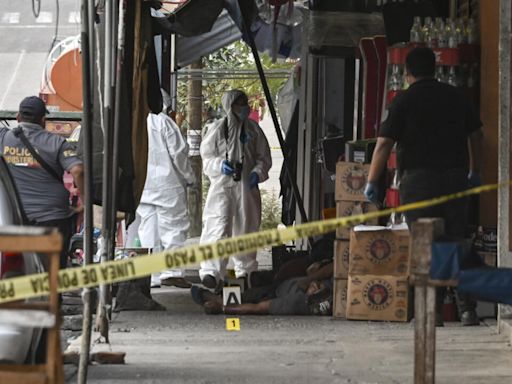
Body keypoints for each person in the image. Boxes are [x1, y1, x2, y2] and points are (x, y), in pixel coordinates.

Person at [364, 47, 483, 326]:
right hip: (455, 179)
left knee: (425, 244)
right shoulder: (456, 96)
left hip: (418, 183)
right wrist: (475, 170)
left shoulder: (404, 100)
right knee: (456, 241)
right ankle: (467, 309)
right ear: (435, 69)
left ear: (407, 73)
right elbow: (476, 134)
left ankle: (432, 312)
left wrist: (371, 181)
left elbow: (384, 144)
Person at [199, 89, 272, 290]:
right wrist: (219, 165)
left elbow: (263, 157)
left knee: (246, 228)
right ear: (229, 106)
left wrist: (257, 172)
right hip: (222, 187)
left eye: (244, 103)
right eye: (239, 104)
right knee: (218, 226)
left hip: (246, 188)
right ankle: (212, 273)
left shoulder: (254, 130)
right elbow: (207, 159)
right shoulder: (216, 129)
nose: (244, 108)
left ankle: (247, 273)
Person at [0, 96, 84, 268]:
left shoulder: (3, 138)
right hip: (53, 217)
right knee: (53, 268)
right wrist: (85, 201)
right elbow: (77, 170)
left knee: (18, 267)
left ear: (17, 117)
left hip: (15, 217)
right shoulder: (57, 142)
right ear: (43, 120)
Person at [137, 90, 195, 288]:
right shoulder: (164, 122)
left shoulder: (137, 122)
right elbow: (179, 153)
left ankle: (151, 276)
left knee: (148, 230)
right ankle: (173, 271)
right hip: (167, 185)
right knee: (174, 228)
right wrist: (189, 177)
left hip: (144, 186)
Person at [191, 262, 334, 316]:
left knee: (246, 294)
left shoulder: (296, 303)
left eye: (314, 289)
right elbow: (332, 268)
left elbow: (258, 307)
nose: (315, 286)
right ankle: (224, 291)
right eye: (319, 285)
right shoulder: (332, 286)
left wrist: (222, 309)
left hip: (273, 293)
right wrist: (310, 278)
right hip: (287, 279)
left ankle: (219, 299)